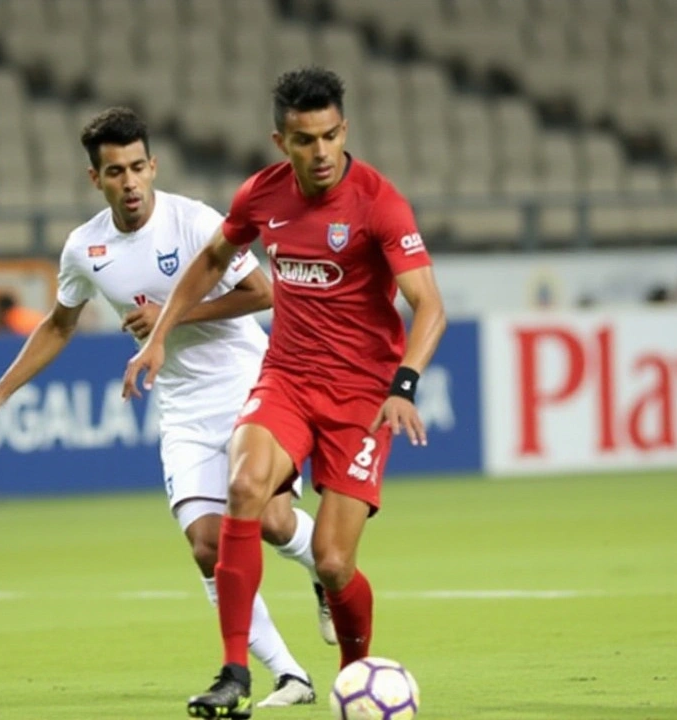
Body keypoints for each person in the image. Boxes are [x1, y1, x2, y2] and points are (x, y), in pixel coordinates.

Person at [0, 108, 325, 708]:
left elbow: (262, 293)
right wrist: (0, 393)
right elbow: (58, 323)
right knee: (207, 545)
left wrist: (170, 316)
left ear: (153, 166)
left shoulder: (195, 222)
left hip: (247, 384)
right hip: (181, 404)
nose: (128, 182)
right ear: (94, 179)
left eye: (136, 168)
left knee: (272, 523)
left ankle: (321, 573)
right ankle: (290, 676)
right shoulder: (85, 248)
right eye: (114, 172)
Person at [122, 67, 447, 718]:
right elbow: (212, 261)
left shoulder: (379, 203)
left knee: (331, 561)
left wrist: (403, 386)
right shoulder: (261, 196)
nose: (321, 152)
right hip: (287, 379)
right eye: (305, 140)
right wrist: (161, 332)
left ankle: (355, 676)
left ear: (344, 130)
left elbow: (429, 307)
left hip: (360, 396)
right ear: (281, 142)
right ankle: (235, 671)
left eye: (330, 135)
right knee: (243, 488)